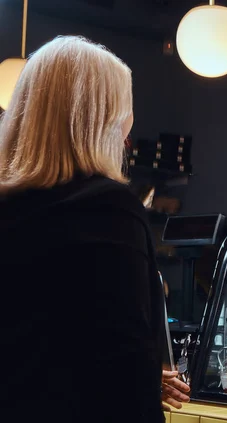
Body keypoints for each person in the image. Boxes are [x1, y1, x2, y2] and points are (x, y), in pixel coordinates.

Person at [0, 36, 186, 421]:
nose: (124, 141)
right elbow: (121, 365)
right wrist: (144, 378)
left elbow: (42, 340)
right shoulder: (108, 208)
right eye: (121, 125)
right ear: (96, 124)